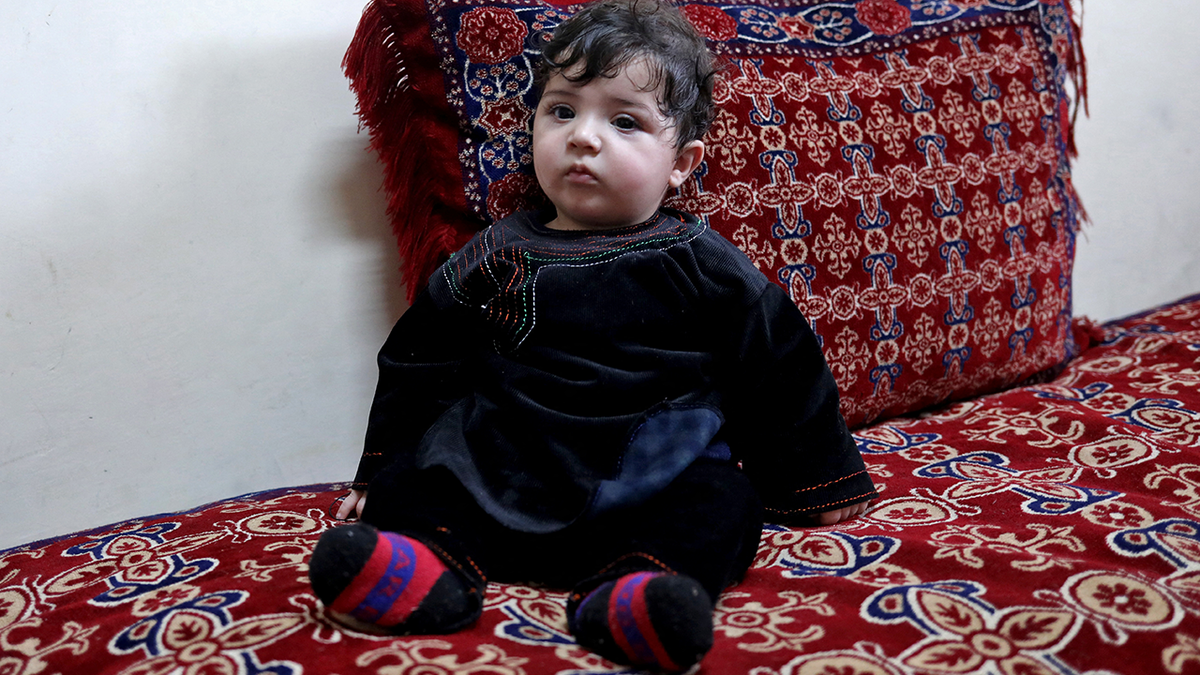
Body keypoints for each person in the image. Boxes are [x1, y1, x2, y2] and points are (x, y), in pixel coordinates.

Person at [308, 0, 876, 670]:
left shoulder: (702, 262)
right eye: (562, 110)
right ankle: (427, 571)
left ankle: (637, 590)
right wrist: (379, 468)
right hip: (500, 469)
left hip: (647, 481)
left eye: (625, 120)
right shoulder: (494, 254)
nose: (583, 136)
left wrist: (822, 481)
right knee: (411, 483)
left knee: (726, 500)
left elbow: (781, 370)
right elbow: (419, 359)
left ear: (682, 164)